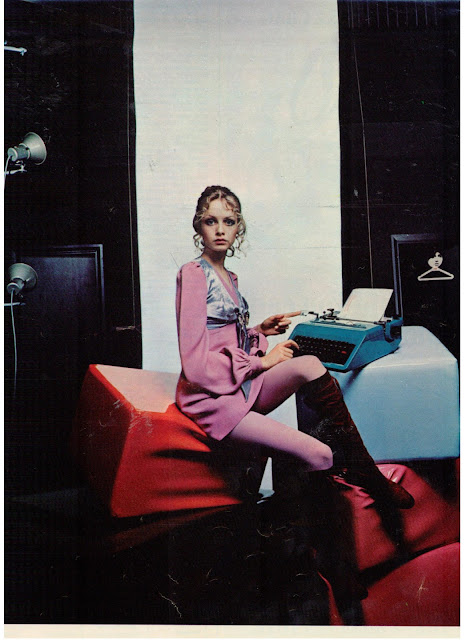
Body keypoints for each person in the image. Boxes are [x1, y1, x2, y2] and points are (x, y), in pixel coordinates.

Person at [175, 185, 414, 509]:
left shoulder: (229, 275)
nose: (220, 230)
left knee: (310, 363)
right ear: (198, 226)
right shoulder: (193, 274)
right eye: (211, 221)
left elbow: (222, 336)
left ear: (238, 227)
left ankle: (364, 469)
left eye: (228, 222)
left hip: (238, 387)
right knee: (322, 454)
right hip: (212, 400)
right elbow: (194, 363)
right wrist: (262, 363)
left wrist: (260, 330)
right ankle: (280, 528)